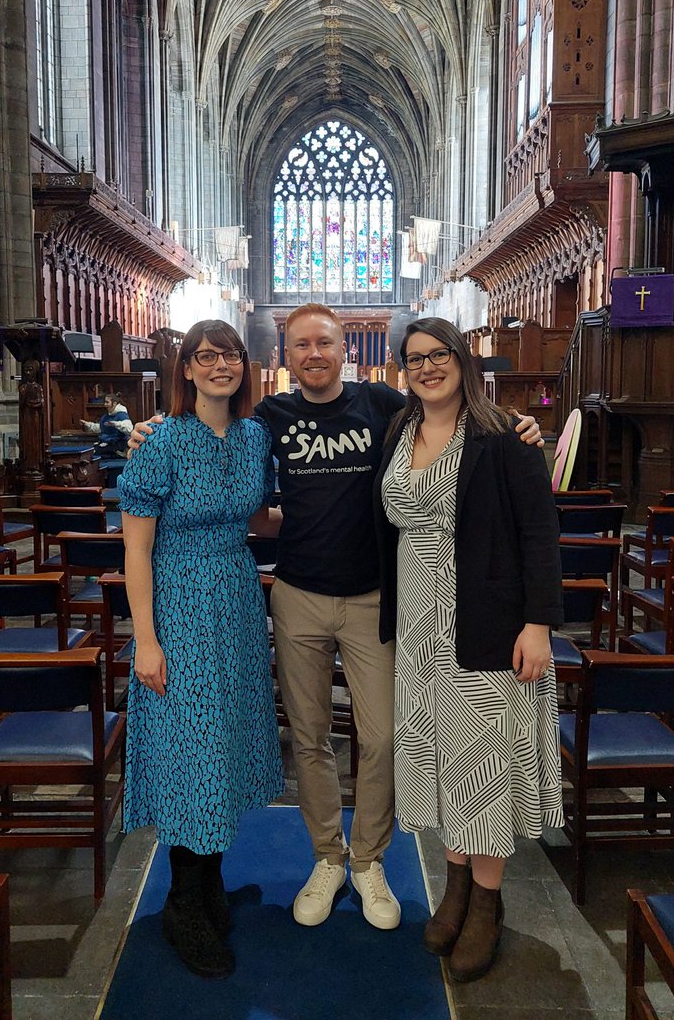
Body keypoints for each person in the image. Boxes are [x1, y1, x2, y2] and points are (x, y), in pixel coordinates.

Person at [129, 303, 544, 935]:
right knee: (310, 738)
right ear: (285, 356)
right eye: (301, 345)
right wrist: (148, 430)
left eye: (324, 342)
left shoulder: (384, 407)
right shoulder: (266, 420)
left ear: (345, 348)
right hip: (297, 594)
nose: (314, 354)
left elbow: (453, 415)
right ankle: (327, 856)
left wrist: (518, 424)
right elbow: (223, 465)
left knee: (381, 738)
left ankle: (369, 860)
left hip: (373, 597)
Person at [373, 317, 563, 982]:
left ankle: (486, 901)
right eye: (415, 358)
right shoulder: (398, 431)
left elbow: (540, 532)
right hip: (417, 627)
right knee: (436, 758)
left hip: (486, 621)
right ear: (404, 370)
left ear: (462, 359)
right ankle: (454, 887)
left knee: (480, 764)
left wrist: (538, 624)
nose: (427, 367)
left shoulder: (504, 433)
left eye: (439, 355)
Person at [118, 320, 283, 979]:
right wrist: (145, 640)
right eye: (205, 356)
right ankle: (183, 902)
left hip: (236, 601)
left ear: (244, 365)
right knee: (191, 749)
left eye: (230, 355)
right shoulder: (160, 441)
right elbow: (135, 550)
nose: (220, 365)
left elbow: (258, 519)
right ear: (185, 368)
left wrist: (336, 512)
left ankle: (209, 882)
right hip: (179, 602)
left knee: (223, 742)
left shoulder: (253, 437)